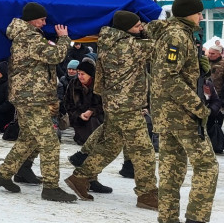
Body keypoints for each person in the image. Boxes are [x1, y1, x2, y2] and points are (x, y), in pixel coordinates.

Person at [150, 0, 224, 223]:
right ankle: (196, 221)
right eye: (198, 13)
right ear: (187, 14)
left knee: (172, 166)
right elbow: (168, 77)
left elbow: (177, 71)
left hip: (167, 113)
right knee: (207, 165)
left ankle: (169, 220)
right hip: (181, 114)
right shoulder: (177, 36)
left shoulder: (177, 34)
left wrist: (200, 63)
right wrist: (198, 107)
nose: (201, 17)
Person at [63, 11, 158, 207]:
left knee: (110, 146)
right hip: (127, 107)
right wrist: (150, 28)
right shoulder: (129, 45)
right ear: (126, 29)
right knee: (144, 151)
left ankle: (80, 178)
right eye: (137, 25)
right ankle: (147, 194)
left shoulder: (108, 42)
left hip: (115, 105)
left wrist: (139, 30)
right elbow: (159, 47)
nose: (141, 28)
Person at [0, 2, 77, 202]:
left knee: (28, 139)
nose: (45, 22)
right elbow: (55, 56)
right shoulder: (30, 37)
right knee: (50, 142)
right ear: (31, 20)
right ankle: (51, 188)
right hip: (32, 98)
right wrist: (64, 38)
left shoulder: (26, 36)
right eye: (42, 19)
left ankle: (3, 174)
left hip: (28, 96)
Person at [62, 59, 104, 146]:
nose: (80, 76)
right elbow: (67, 104)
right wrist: (79, 114)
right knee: (83, 139)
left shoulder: (98, 85)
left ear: (90, 75)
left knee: (93, 125)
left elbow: (103, 103)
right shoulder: (73, 84)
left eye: (83, 74)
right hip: (78, 117)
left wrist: (91, 111)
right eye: (79, 74)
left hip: (96, 117)